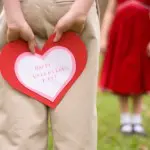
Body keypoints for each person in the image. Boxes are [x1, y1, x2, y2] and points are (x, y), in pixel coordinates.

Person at [0, 0, 100, 149]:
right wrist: (13, 15)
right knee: (21, 131)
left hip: (74, 20)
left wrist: (80, 9)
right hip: (21, 16)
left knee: (75, 135)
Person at [99, 0, 150, 136]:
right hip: (121, 36)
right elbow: (110, 12)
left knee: (139, 76)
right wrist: (103, 37)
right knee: (122, 76)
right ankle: (125, 119)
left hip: (142, 34)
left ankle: (137, 120)